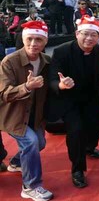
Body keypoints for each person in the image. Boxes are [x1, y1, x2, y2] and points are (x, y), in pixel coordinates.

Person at [47, 15, 99, 188]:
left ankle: (90, 147)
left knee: (98, 127)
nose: (89, 38)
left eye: (93, 35)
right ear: (77, 34)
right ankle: (77, 169)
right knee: (76, 132)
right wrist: (60, 84)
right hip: (70, 99)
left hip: (92, 97)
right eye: (85, 34)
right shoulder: (61, 51)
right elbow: (52, 77)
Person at [0, 21, 53, 201]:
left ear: (45, 42)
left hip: (33, 115)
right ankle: (31, 186)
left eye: (38, 39)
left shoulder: (47, 61)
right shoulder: (10, 61)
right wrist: (26, 87)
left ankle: (15, 163)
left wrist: (62, 84)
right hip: (12, 115)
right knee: (30, 142)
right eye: (29, 39)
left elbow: (52, 85)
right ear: (23, 39)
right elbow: (4, 94)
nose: (33, 43)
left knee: (40, 143)